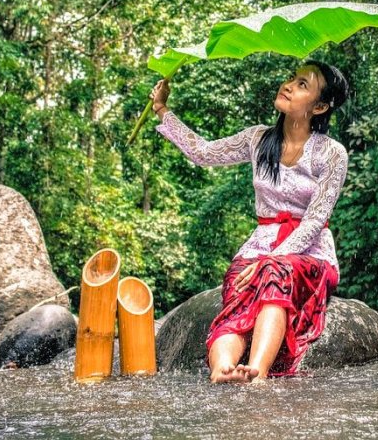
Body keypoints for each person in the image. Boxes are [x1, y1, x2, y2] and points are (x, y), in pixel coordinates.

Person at [149, 60, 349, 384]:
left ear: (320, 106)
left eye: (302, 85)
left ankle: (256, 373)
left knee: (273, 272)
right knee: (238, 287)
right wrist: (162, 109)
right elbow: (202, 152)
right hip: (261, 243)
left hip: (309, 252)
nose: (288, 85)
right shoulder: (258, 139)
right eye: (292, 78)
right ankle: (223, 369)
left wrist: (271, 259)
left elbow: (314, 221)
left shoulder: (331, 153)